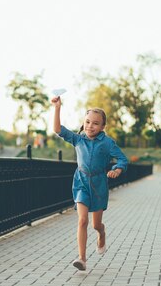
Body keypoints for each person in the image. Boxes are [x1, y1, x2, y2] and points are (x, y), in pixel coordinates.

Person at [52, 96, 128, 272]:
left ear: (102, 127)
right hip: (81, 182)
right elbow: (57, 129)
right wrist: (57, 108)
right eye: (87, 122)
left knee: (95, 225)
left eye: (95, 123)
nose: (90, 126)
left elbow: (122, 158)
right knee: (82, 220)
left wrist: (117, 169)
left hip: (99, 184)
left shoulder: (108, 143)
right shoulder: (78, 139)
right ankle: (82, 258)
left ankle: (101, 233)